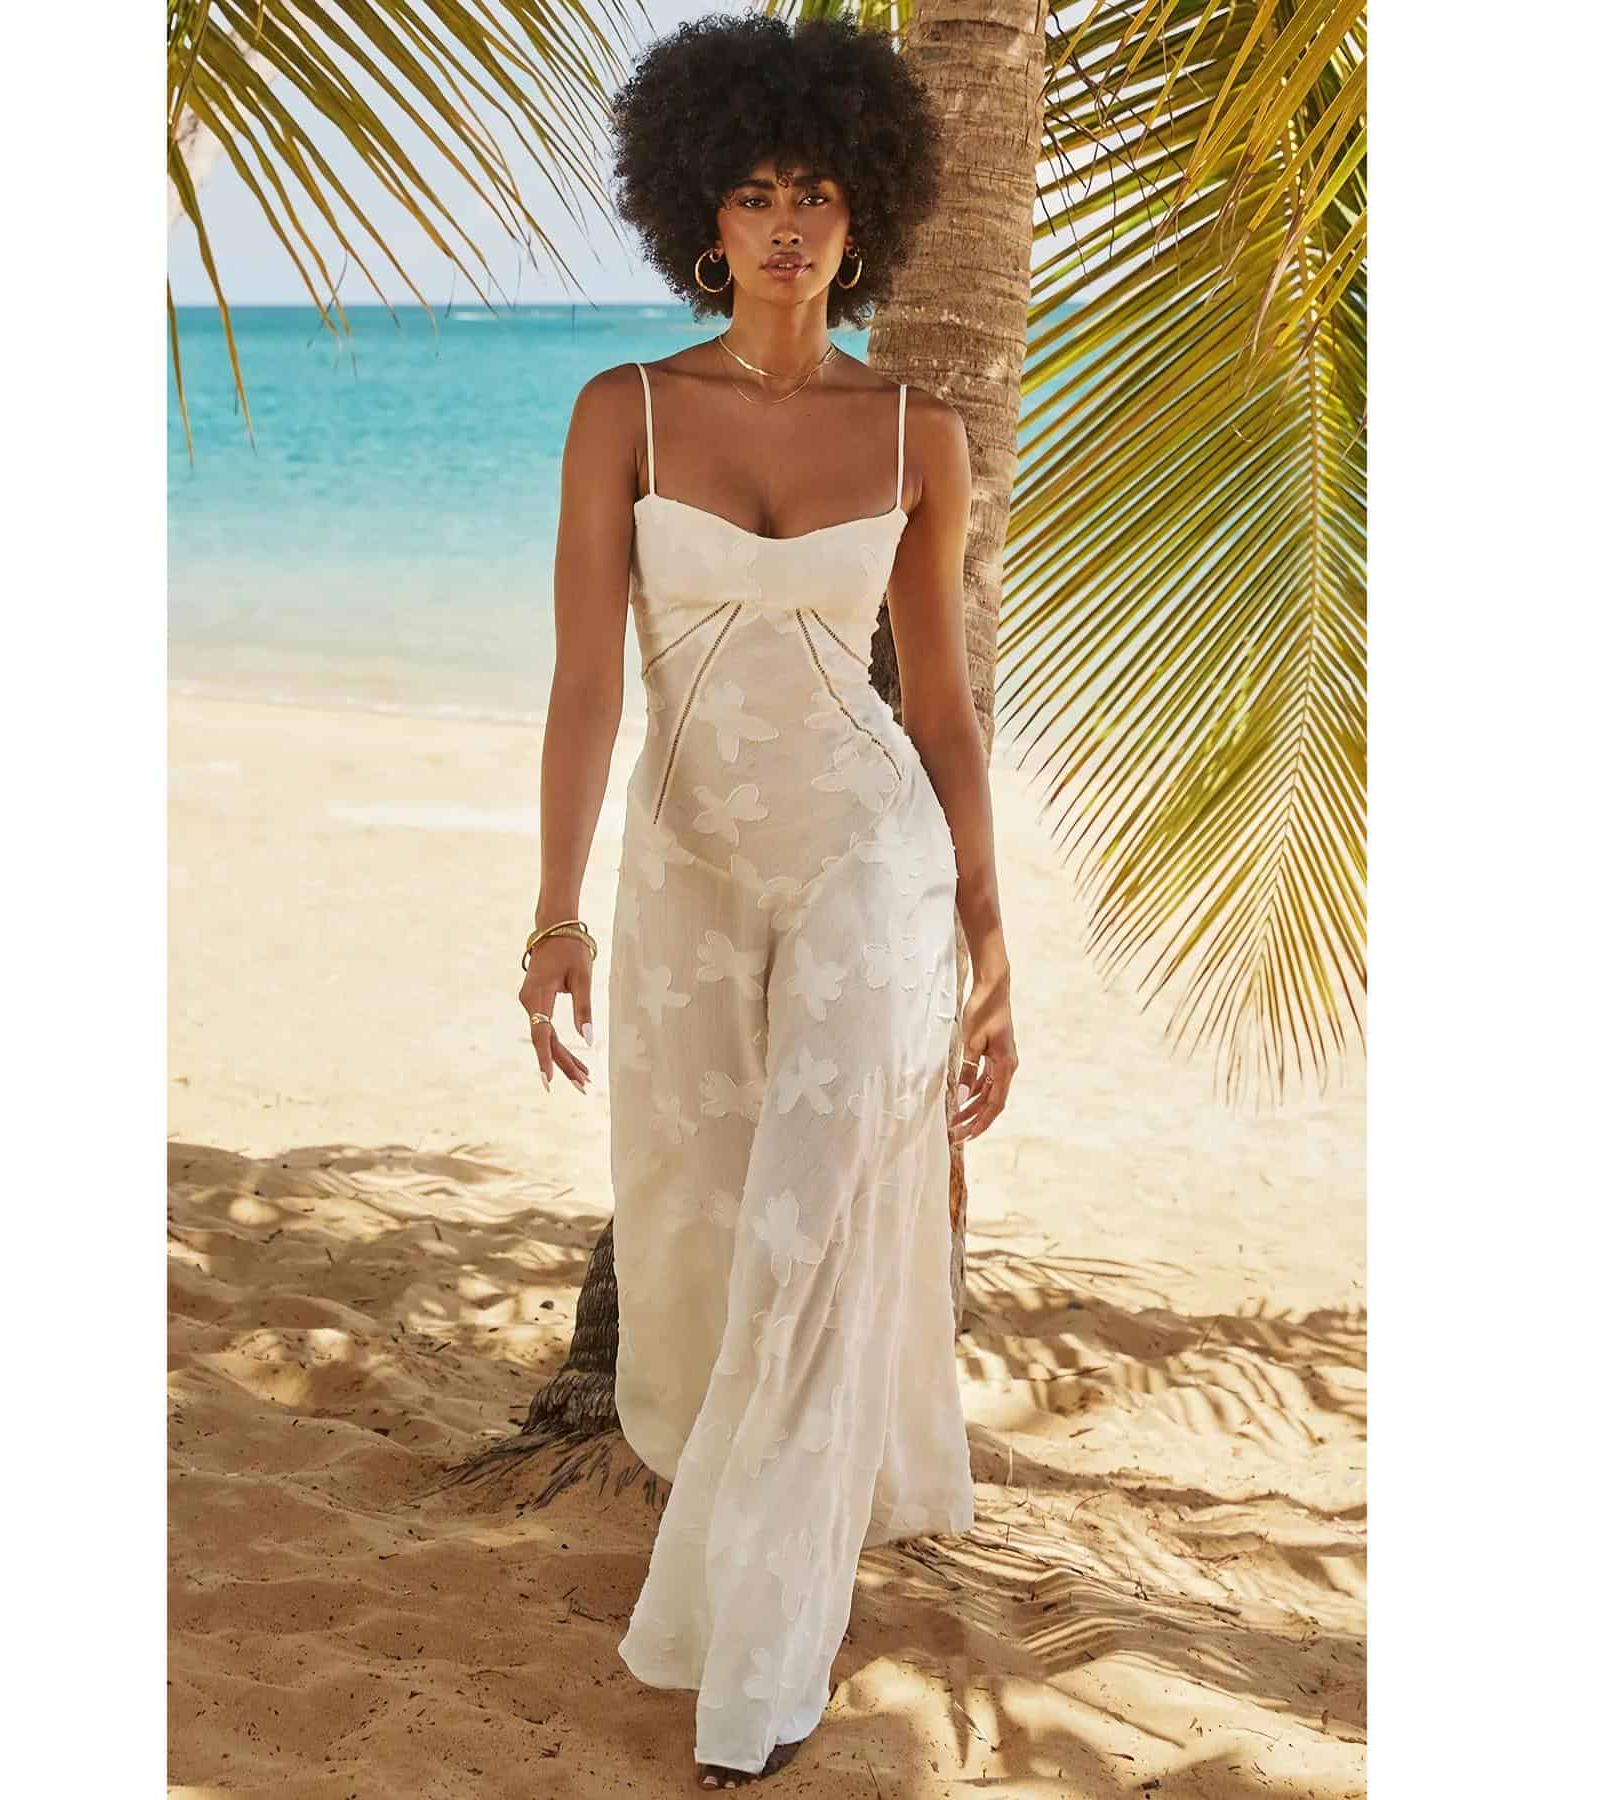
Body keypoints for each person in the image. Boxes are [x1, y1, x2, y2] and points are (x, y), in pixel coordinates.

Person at [517, 12, 1018, 1788]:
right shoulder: (626, 412)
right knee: (709, 1243)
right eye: (754, 193)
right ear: (701, 218)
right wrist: (555, 912)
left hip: (873, 861)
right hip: (685, 874)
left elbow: (941, 712)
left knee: (810, 1227)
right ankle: (760, 1572)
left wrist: (991, 944)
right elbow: (588, 684)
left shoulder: (917, 432)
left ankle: (760, 1667)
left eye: (816, 191)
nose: (788, 223)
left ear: (864, 208)